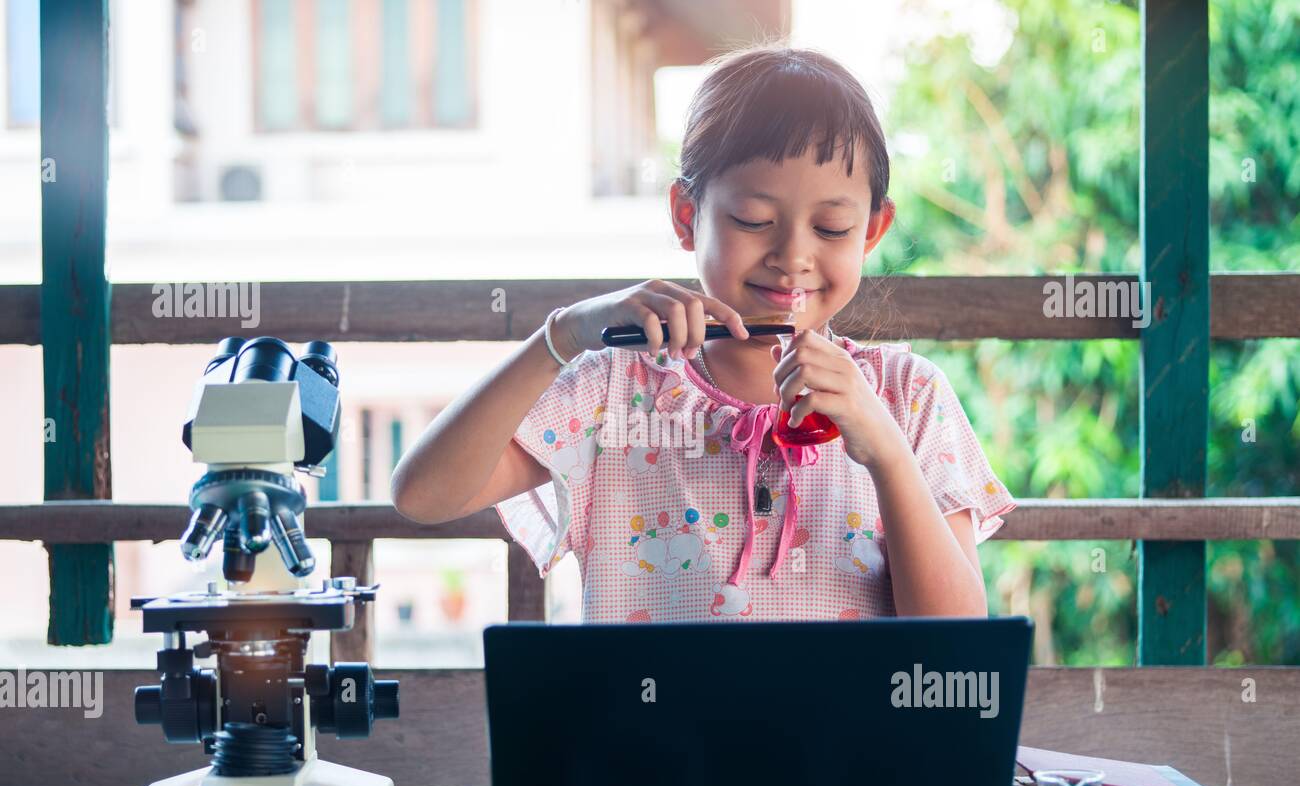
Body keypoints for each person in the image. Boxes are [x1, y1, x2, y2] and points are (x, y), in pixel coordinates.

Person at [392, 44, 1015, 622]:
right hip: (651, 740)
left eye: (830, 228)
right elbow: (423, 494)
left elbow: (955, 642)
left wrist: (884, 445)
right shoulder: (615, 389)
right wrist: (561, 337)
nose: (793, 255)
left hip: (852, 743)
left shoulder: (908, 396)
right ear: (687, 217)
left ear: (873, 232)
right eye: (753, 220)